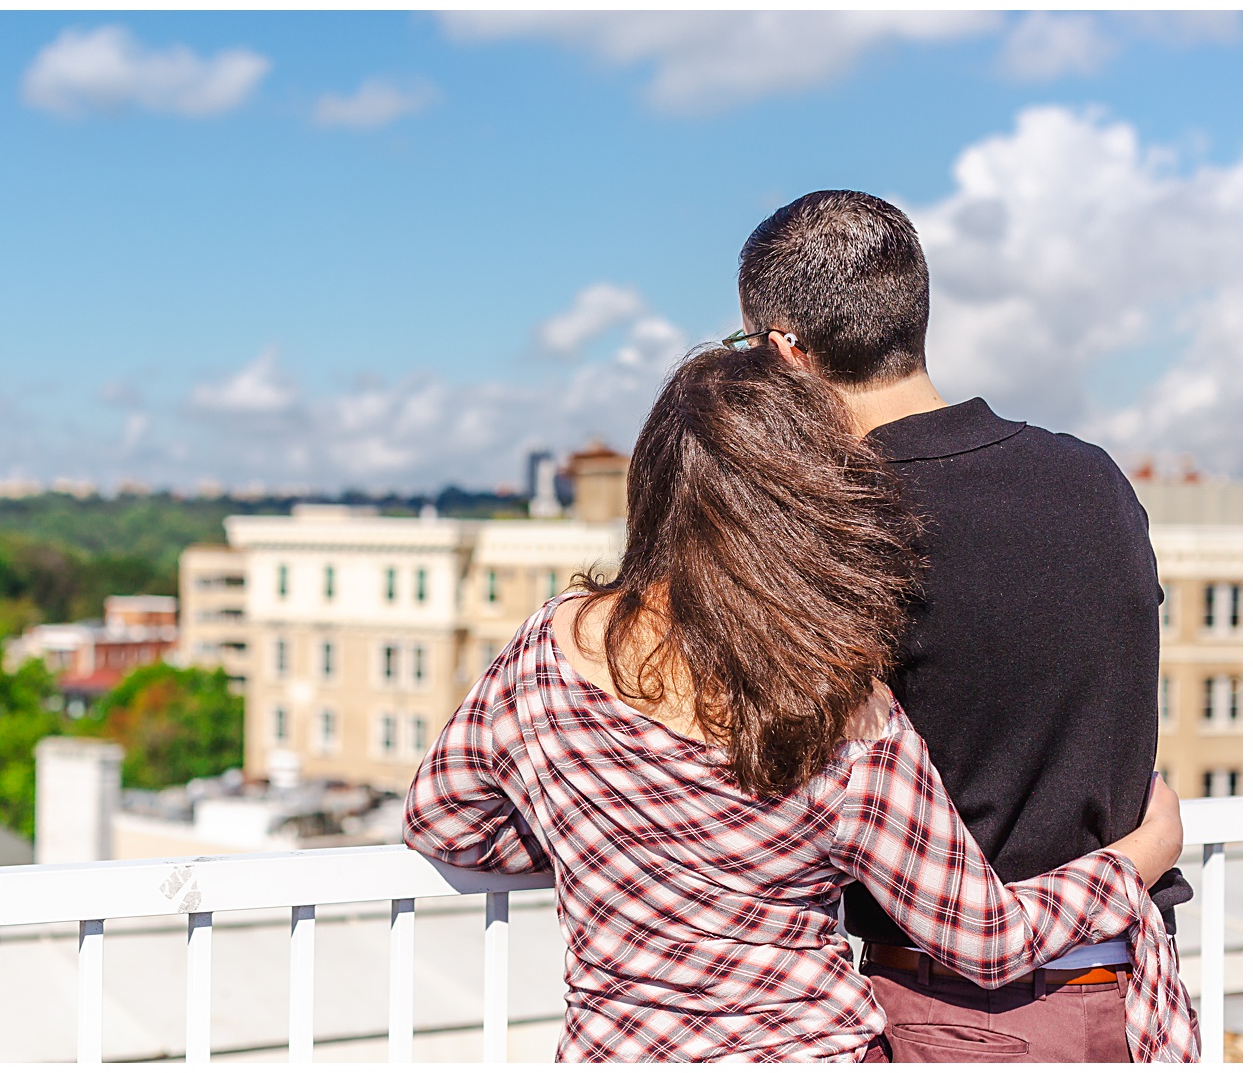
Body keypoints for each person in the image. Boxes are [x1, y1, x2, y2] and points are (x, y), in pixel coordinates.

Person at [403, 348, 1196, 1062]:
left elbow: (443, 820)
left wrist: (607, 840)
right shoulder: (841, 708)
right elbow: (987, 937)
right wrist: (1141, 855)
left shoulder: (552, 646)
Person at [730, 190, 1190, 1062]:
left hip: (958, 1005)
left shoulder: (840, 522)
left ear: (785, 351)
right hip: (1132, 996)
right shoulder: (1093, 478)